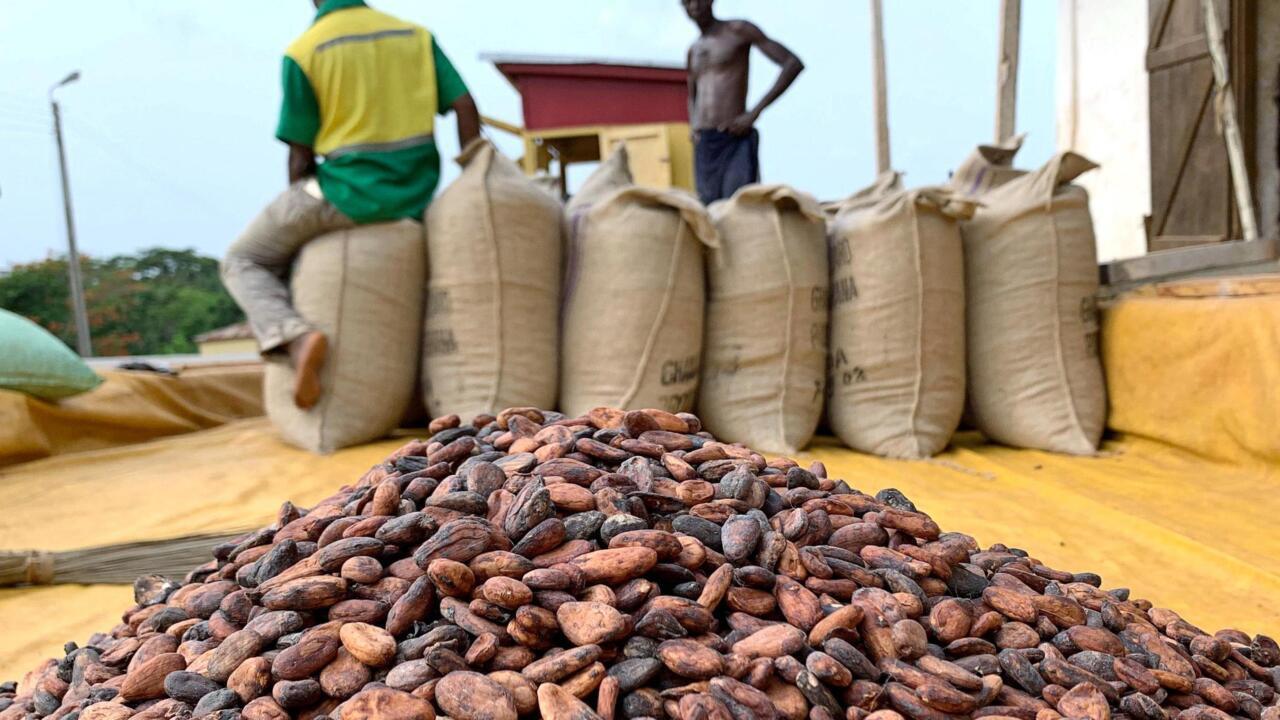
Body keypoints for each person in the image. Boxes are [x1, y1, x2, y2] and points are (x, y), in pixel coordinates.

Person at [221, 0, 480, 409]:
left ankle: (292, 335)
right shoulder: (413, 35)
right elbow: (465, 106)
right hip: (415, 194)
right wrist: (472, 176)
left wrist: (299, 217)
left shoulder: (305, 51)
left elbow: (300, 156)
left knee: (242, 259)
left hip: (344, 195)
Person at [683, 0, 803, 206]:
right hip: (705, 143)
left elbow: (792, 64)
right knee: (708, 211)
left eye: (698, 0)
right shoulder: (693, 50)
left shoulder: (737, 30)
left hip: (734, 136)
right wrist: (694, 125)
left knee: (739, 207)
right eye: (686, 2)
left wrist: (754, 113)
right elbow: (693, 92)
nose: (694, 6)